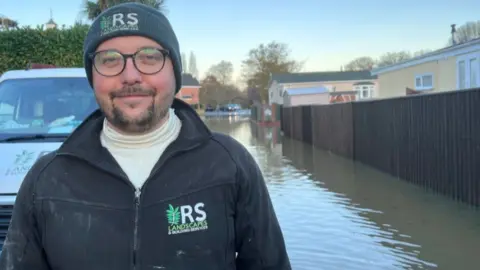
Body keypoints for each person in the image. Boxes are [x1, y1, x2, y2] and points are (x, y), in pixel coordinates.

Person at [0, 2, 291, 270]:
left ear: (175, 74)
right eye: (110, 60)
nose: (130, 76)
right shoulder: (45, 179)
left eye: (149, 58)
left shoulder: (230, 164)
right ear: (94, 77)